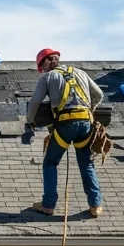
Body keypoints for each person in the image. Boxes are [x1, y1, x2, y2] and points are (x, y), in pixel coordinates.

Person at [23, 48, 104, 217]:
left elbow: (35, 102)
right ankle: (95, 205)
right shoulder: (80, 72)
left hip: (66, 124)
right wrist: (90, 112)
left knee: (50, 162)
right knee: (86, 163)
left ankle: (48, 205)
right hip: (85, 123)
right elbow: (99, 94)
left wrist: (30, 122)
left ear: (44, 63)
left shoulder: (48, 77)